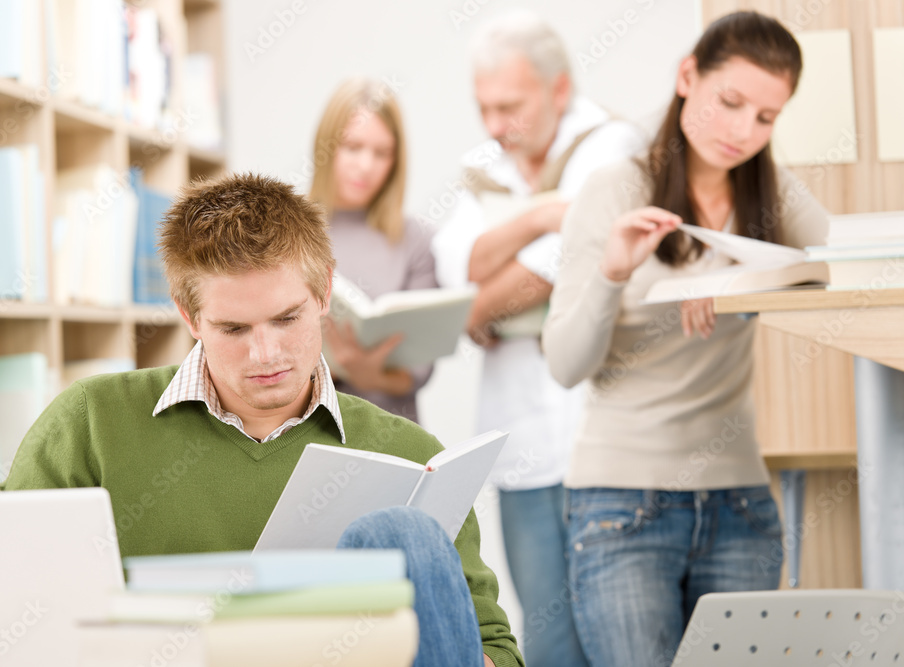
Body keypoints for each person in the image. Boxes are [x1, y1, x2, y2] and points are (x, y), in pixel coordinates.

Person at [0, 173, 523, 667]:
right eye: (233, 328)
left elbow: (495, 648)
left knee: (402, 531)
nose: (265, 353)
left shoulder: (412, 457)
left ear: (324, 294)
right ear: (188, 314)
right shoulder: (92, 423)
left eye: (286, 319)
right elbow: (7, 602)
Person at [541, 11, 829, 666]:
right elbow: (564, 363)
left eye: (766, 118)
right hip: (622, 506)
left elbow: (838, 269)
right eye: (730, 103)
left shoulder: (772, 195)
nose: (743, 132)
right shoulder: (614, 190)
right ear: (686, 76)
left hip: (742, 504)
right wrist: (616, 274)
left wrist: (742, 286)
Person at [431, 11, 644, 667]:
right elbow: (455, 268)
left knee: (621, 635)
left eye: (509, 106)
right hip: (522, 436)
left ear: (557, 90)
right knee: (547, 635)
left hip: (606, 433)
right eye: (483, 107)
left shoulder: (615, 144)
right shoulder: (485, 165)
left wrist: (479, 305)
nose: (494, 124)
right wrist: (545, 215)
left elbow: (566, 264)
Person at [310, 77, 437, 422]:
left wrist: (373, 377)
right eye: (352, 147)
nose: (366, 166)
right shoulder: (290, 231)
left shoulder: (417, 240)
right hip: (313, 435)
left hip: (394, 436)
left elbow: (420, 368)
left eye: (382, 153)